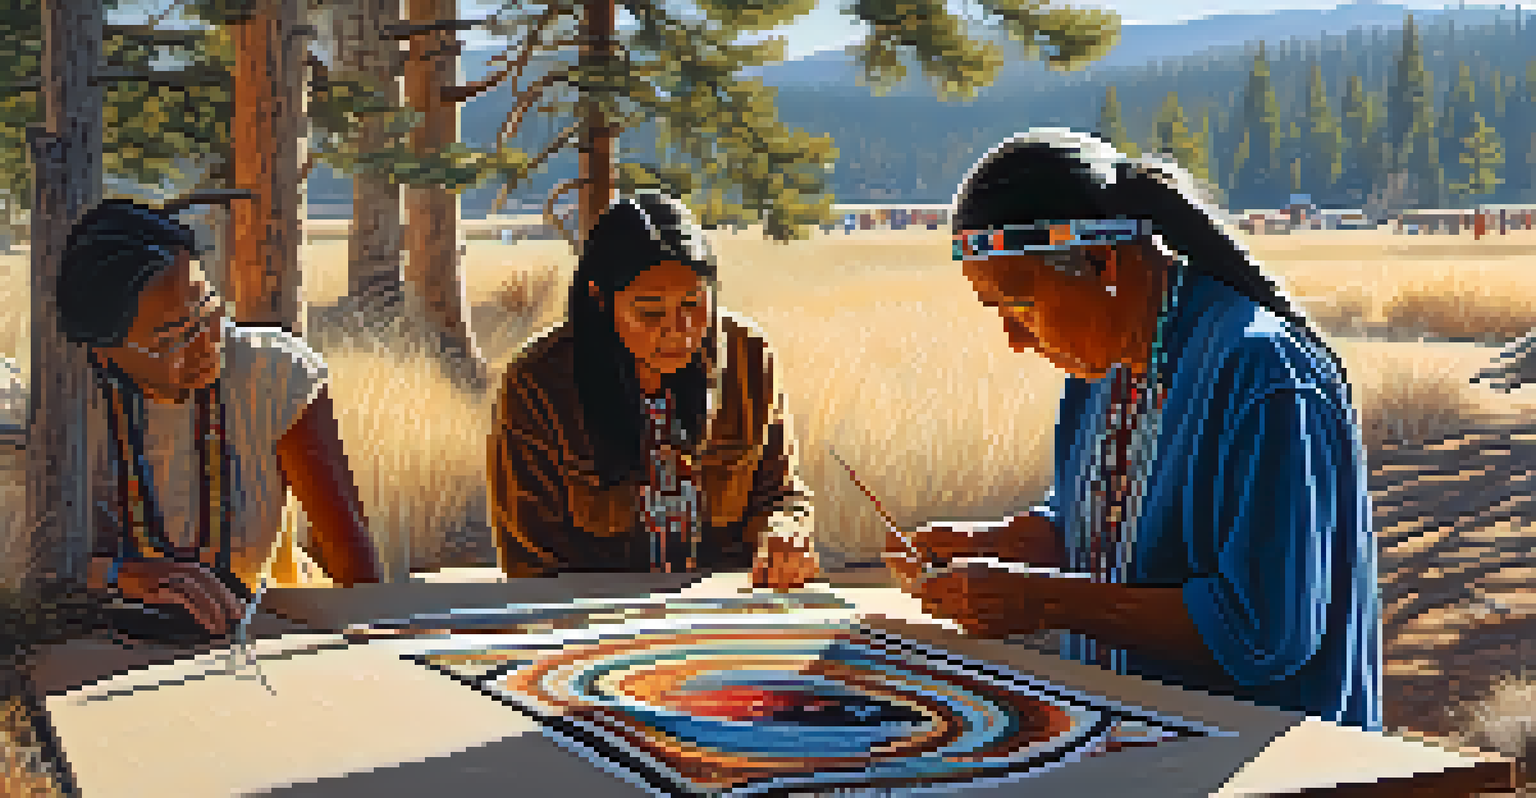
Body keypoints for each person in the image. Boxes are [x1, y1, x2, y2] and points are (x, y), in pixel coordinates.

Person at [885, 129, 1382, 731]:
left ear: (1104, 262)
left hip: (1266, 759)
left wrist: (1042, 601)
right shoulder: (1103, 369)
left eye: (1019, 306)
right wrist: (994, 544)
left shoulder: (1262, 372)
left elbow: (1265, 629)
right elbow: (1100, 534)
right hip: (1136, 739)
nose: (1015, 341)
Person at [56, 199, 383, 638]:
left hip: (266, 638)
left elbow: (352, 561)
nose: (206, 344)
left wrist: (375, 639)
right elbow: (29, 569)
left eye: (208, 310)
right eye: (172, 337)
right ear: (103, 352)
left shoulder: (273, 373)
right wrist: (116, 574)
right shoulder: (64, 408)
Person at [489, 192, 820, 589]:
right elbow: (530, 560)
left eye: (693, 304)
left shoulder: (749, 359)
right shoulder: (536, 385)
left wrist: (786, 531)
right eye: (650, 312)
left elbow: (781, 494)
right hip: (593, 616)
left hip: (728, 608)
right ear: (599, 299)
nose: (679, 330)